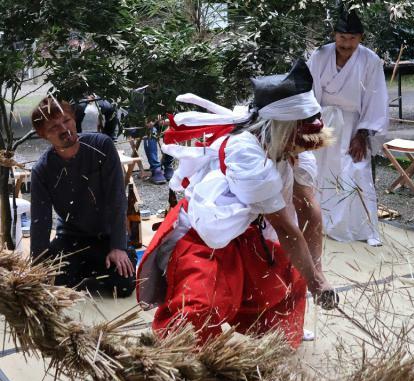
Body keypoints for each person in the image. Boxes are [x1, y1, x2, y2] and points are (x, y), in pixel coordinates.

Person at [137, 60, 337, 348]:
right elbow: (285, 226)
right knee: (201, 306)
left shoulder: (297, 148)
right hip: (207, 236)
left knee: (288, 282)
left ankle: (278, 343)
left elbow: (307, 209)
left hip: (252, 236)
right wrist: (318, 283)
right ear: (281, 127)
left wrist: (316, 273)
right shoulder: (245, 151)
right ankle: (181, 358)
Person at [30, 97, 137, 297]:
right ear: (43, 135)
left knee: (123, 285)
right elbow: (40, 222)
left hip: (107, 234)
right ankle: (83, 272)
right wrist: (37, 268)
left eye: (67, 120)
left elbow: (117, 199)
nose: (64, 129)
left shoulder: (101, 145)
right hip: (70, 237)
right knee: (53, 284)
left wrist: (118, 246)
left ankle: (89, 271)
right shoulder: (42, 170)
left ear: (74, 119)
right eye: (54, 127)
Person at [307, 8, 389, 246]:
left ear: (360, 38)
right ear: (335, 35)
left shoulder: (370, 60)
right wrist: (310, 124)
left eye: (352, 38)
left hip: (354, 124)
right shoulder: (320, 55)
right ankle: (317, 221)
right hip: (322, 121)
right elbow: (309, 91)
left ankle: (362, 229)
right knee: (317, 170)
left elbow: (376, 98)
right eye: (342, 37)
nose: (346, 43)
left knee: (355, 171)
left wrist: (363, 134)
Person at [143, 116, 174, 185]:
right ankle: (156, 169)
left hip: (159, 124)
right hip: (141, 123)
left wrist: (165, 121)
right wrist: (148, 121)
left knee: (171, 129)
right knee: (151, 131)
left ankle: (168, 165)